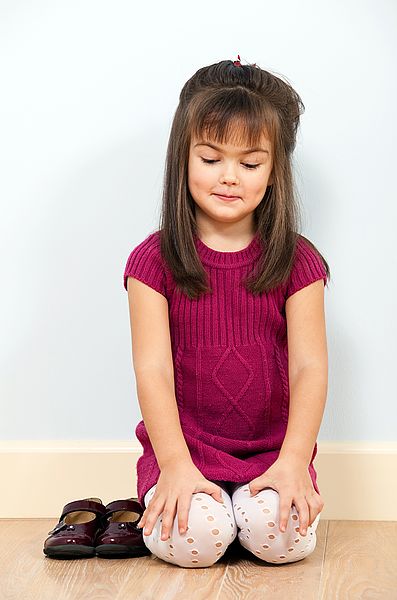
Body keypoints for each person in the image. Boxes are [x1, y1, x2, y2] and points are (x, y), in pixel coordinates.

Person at [123, 56, 331, 568]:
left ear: (275, 170)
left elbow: (310, 367)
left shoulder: (298, 259)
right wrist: (173, 464)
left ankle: (248, 512)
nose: (229, 177)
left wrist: (293, 463)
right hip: (184, 451)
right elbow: (153, 368)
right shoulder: (152, 260)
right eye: (211, 159)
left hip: (273, 454)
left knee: (280, 541)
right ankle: (207, 509)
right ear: (183, 159)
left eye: (250, 162)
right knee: (194, 542)